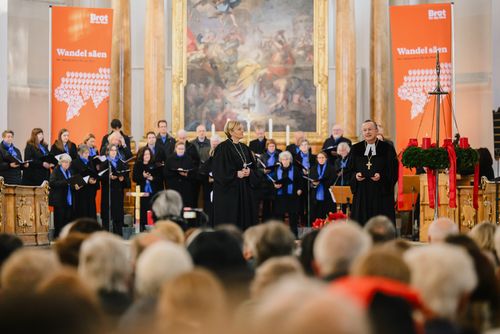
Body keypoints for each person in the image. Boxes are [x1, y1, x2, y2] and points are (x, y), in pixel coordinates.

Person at [349, 120, 398, 225]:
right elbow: (349, 170)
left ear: (376, 131)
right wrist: (355, 176)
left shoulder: (387, 148)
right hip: (362, 192)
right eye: (364, 130)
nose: (367, 132)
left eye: (370, 129)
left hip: (380, 193)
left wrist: (382, 176)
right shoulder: (356, 149)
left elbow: (393, 170)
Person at [212, 120, 258, 230]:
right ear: (231, 132)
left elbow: (254, 167)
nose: (243, 131)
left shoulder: (245, 147)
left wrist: (249, 172)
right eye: (239, 129)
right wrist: (235, 174)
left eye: (242, 128)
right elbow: (218, 170)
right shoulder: (222, 148)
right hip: (230, 193)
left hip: (244, 190)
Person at [100, 144, 130, 236]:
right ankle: (106, 235)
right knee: (107, 214)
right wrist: (108, 177)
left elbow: (127, 178)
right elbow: (100, 177)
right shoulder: (105, 163)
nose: (113, 152)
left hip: (118, 192)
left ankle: (118, 235)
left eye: (115, 150)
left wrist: (122, 179)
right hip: (108, 192)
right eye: (111, 150)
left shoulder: (121, 162)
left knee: (118, 214)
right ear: (108, 152)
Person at [273, 151, 304, 237]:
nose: (285, 161)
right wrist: (275, 186)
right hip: (280, 196)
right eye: (283, 159)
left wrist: (300, 189)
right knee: (279, 217)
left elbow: (300, 181)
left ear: (290, 160)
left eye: (287, 159)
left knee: (293, 217)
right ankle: (280, 235)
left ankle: (294, 235)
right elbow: (273, 182)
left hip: (292, 196)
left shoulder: (295, 169)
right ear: (280, 160)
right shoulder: (277, 170)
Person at [132, 147, 163, 231]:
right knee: (141, 210)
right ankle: (140, 228)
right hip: (141, 192)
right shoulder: (137, 165)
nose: (147, 156)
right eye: (145, 154)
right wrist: (143, 176)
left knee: (151, 209)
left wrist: (152, 178)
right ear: (142, 155)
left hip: (152, 192)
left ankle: (152, 227)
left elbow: (160, 178)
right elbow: (134, 178)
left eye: (148, 154)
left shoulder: (155, 165)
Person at [49, 153, 77, 238]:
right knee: (59, 219)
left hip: (68, 199)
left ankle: (65, 236)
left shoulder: (69, 171)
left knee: (67, 218)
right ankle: (57, 236)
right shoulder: (56, 170)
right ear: (60, 162)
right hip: (59, 199)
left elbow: (70, 183)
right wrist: (66, 182)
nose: (66, 164)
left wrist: (75, 185)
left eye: (68, 162)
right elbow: (52, 183)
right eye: (64, 162)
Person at [164, 141, 198, 208]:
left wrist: (186, 175)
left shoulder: (189, 159)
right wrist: (176, 172)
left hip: (186, 188)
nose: (181, 150)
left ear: (184, 149)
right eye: (179, 149)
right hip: (173, 186)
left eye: (182, 149)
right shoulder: (170, 159)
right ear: (176, 149)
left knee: (186, 207)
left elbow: (193, 173)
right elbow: (165, 173)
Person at [256, 139, 281, 222]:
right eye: (270, 146)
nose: (272, 147)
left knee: (276, 204)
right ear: (267, 147)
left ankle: (275, 222)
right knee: (266, 205)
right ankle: (265, 222)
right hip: (265, 183)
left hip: (276, 182)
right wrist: (263, 171)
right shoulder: (262, 156)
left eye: (273, 146)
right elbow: (257, 169)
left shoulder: (279, 156)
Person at [71, 144, 99, 220]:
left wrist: (94, 180)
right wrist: (87, 180)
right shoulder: (75, 163)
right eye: (85, 153)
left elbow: (95, 173)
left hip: (90, 191)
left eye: (88, 153)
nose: (87, 155)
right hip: (81, 192)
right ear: (80, 153)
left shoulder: (91, 161)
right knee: (82, 213)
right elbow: (74, 177)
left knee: (91, 212)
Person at [198, 135, 221, 224]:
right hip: (208, 188)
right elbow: (201, 172)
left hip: (220, 189)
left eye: (216, 143)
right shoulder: (208, 157)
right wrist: (208, 178)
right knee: (209, 210)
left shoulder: (224, 158)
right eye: (213, 143)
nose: (215, 145)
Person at [309, 151, 335, 220]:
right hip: (315, 194)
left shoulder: (331, 168)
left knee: (326, 215)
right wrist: (313, 184)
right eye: (319, 158)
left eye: (323, 158)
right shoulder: (313, 169)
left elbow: (333, 180)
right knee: (315, 215)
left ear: (326, 158)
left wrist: (321, 182)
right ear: (317, 159)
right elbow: (310, 181)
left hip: (327, 194)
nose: (321, 159)